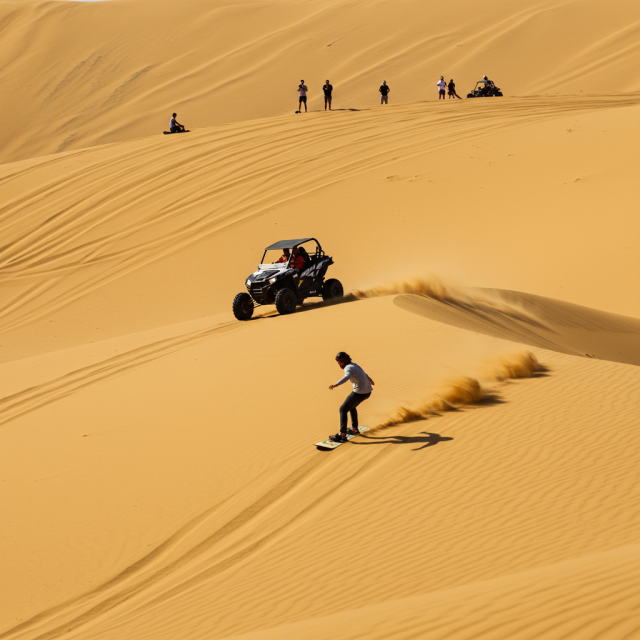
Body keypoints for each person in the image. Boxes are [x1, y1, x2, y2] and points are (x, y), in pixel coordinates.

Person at [328, 352, 374, 443]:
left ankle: (342, 435)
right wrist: (370, 380)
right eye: (338, 361)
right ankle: (354, 429)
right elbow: (364, 373)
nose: (339, 363)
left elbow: (347, 376)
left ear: (346, 360)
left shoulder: (348, 368)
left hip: (359, 392)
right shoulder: (354, 365)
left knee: (343, 409)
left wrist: (336, 384)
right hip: (367, 392)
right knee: (351, 406)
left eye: (341, 361)